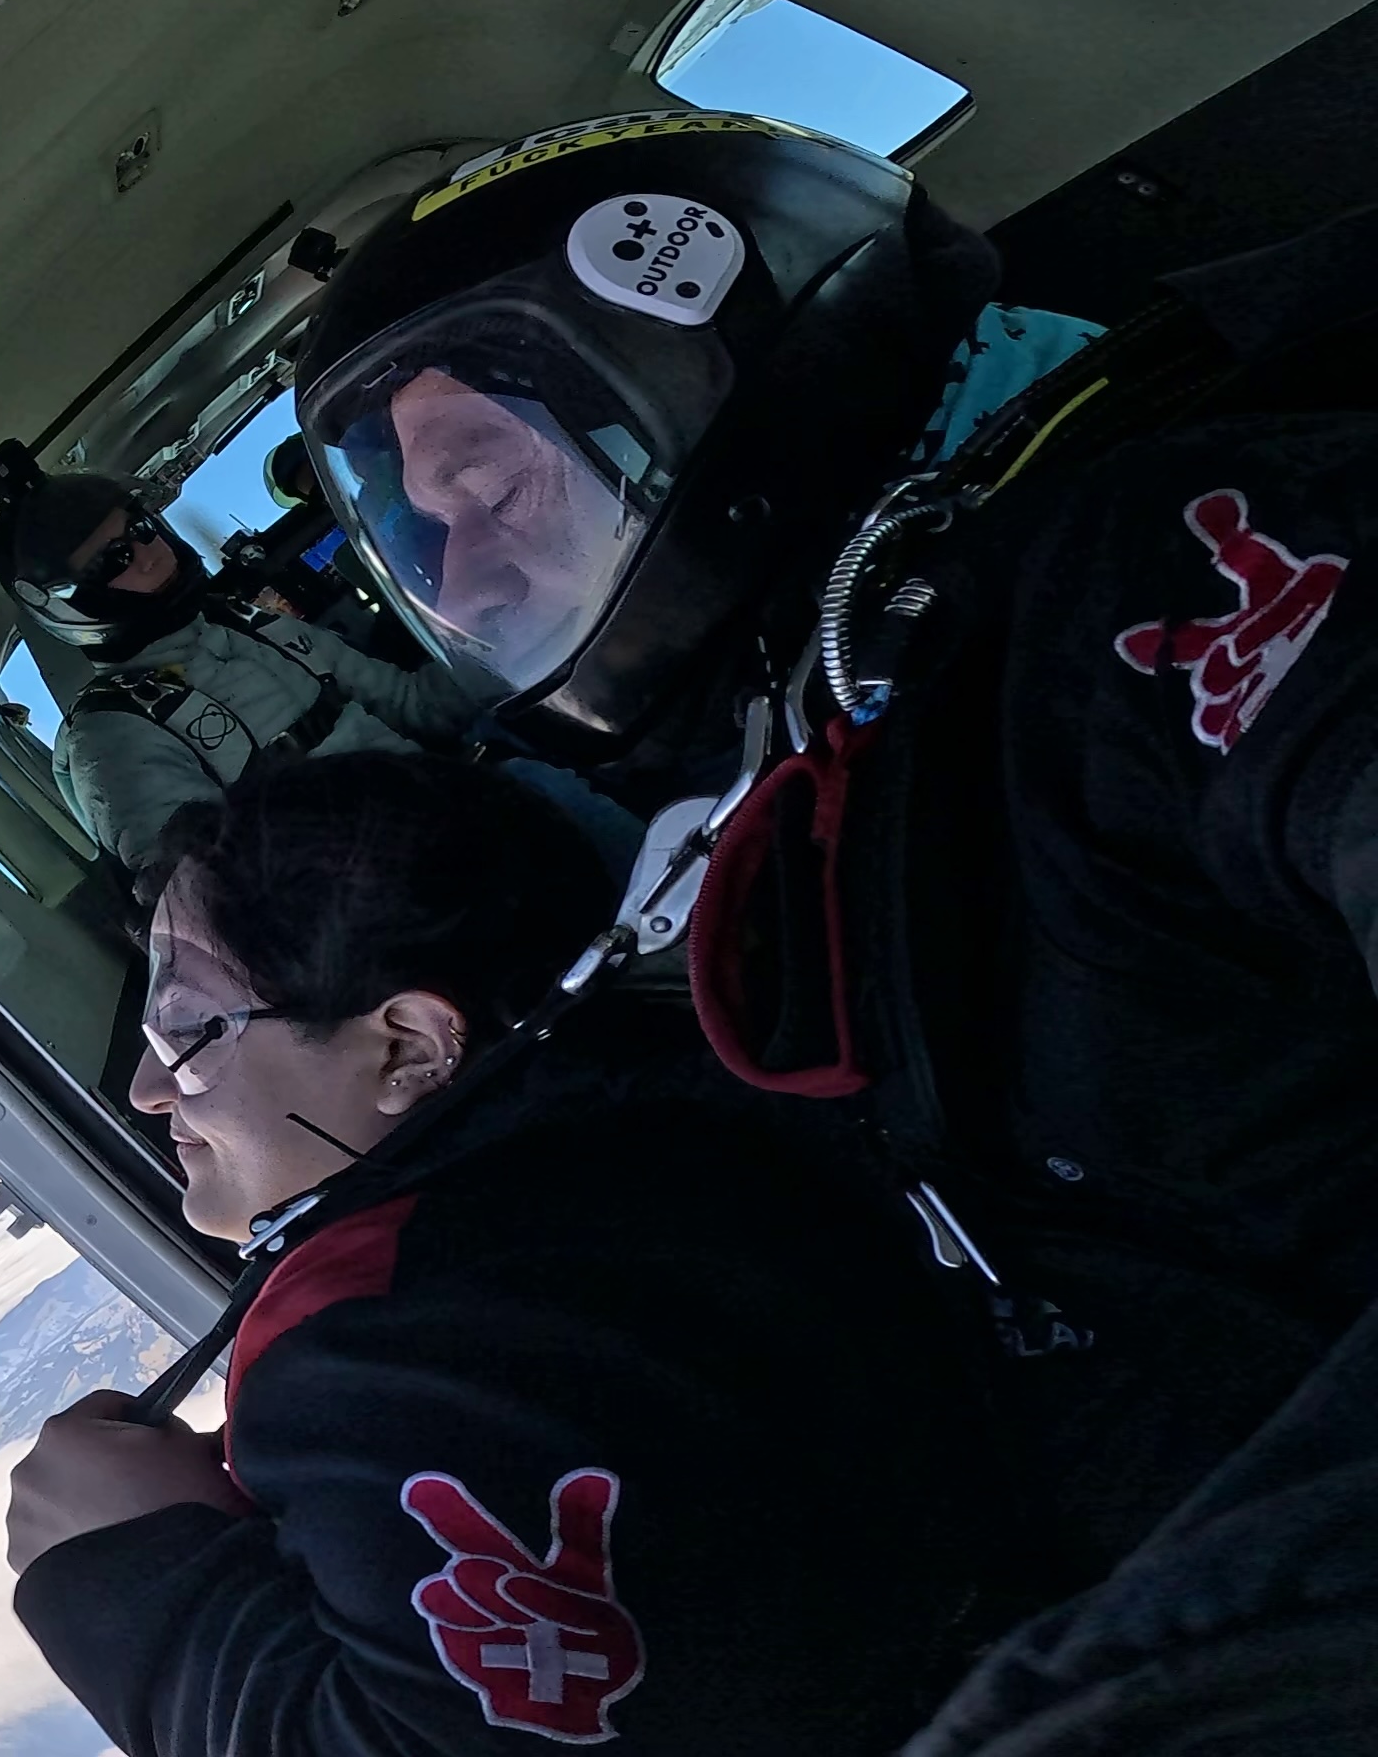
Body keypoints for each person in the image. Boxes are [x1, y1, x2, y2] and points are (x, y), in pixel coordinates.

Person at [285, 111, 1378, 1723]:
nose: (463, 574)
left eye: (488, 480)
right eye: (416, 536)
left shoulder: (1170, 551)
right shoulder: (819, 741)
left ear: (705, 371)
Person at [5, 751, 1001, 1754]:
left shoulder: (402, 1352)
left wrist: (138, 1588)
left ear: (409, 1047)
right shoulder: (646, 1155)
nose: (146, 1087)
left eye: (189, 1029)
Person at [0, 462, 476, 872]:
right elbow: (213, 900)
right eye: (113, 560)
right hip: (381, 899)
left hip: (456, 813)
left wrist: (496, 648)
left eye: (139, 530)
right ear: (72, 604)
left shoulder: (253, 624)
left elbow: (414, 705)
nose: (148, 554)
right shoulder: (110, 736)